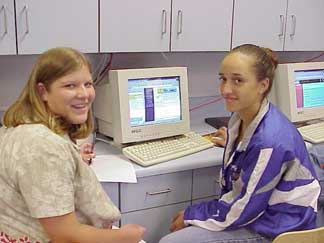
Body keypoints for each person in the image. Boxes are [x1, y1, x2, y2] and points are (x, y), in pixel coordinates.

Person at [159, 44, 321, 243]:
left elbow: (242, 210)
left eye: (238, 80)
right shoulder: (243, 119)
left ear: (263, 85)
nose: (226, 89)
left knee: (171, 241)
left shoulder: (268, 141)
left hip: (277, 228)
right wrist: (240, 143)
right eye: (223, 79)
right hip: (259, 213)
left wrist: (192, 215)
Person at [0, 47, 145, 243]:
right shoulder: (44, 147)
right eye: (70, 86)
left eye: (88, 84)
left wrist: (72, 159)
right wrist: (125, 236)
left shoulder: (23, 127)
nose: (84, 94)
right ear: (43, 91)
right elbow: (66, 235)